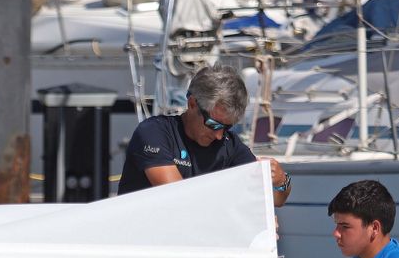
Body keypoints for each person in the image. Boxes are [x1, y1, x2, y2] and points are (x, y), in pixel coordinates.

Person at [115, 66, 292, 208]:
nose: (219, 135)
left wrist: (281, 181)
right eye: (214, 125)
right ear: (192, 104)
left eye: (227, 127)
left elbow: (276, 200)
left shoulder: (229, 145)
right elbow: (177, 198)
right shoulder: (154, 132)